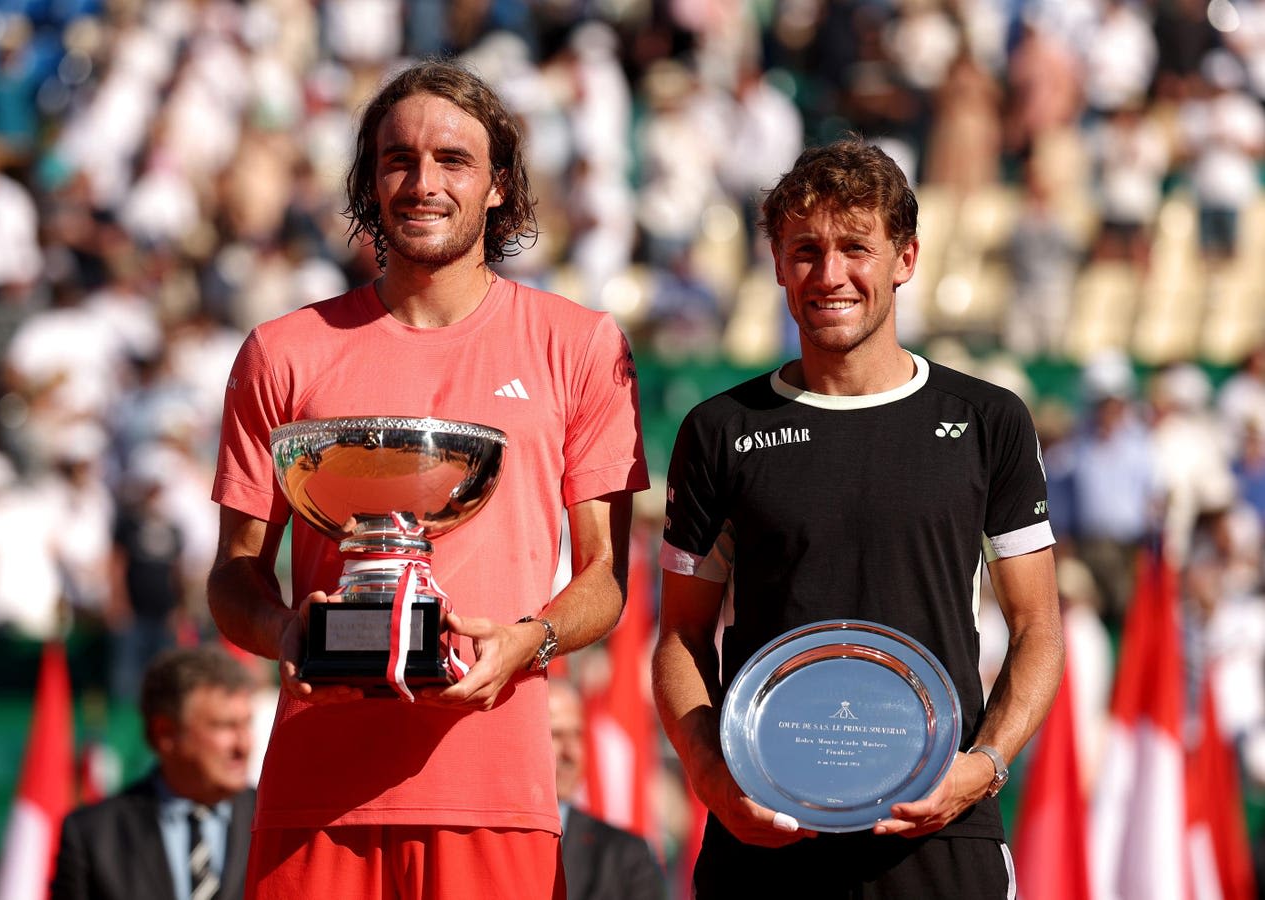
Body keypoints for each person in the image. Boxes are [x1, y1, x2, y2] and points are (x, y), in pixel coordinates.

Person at [206, 58, 649, 900]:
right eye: (398, 159)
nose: (423, 182)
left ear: (497, 186)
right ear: (369, 180)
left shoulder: (579, 344)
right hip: (317, 794)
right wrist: (285, 632)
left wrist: (530, 639)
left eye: (453, 160)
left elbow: (603, 579)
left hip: (496, 794)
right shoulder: (282, 352)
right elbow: (234, 577)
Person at [651, 138, 1064, 898]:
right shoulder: (720, 429)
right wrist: (711, 776)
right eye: (805, 250)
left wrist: (984, 767)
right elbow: (679, 635)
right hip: (765, 829)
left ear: (905, 258)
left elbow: (1038, 626)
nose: (829, 274)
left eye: (855, 247)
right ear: (776, 263)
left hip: (940, 827)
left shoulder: (988, 420)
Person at [51, 644, 257, 900]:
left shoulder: (283, 828)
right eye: (224, 726)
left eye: (246, 724)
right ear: (165, 733)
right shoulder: (94, 836)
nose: (243, 745)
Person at [547, 678, 665, 900]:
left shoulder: (626, 855)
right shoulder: (493, 846)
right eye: (556, 735)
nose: (571, 754)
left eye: (577, 735)